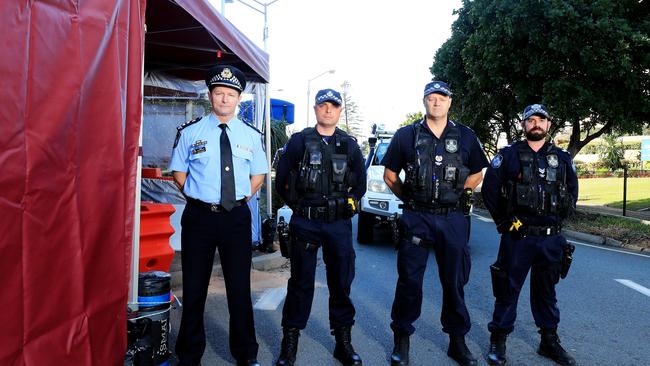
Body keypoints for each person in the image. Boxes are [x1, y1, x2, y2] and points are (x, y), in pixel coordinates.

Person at [382, 81, 489, 366]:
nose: (437, 103)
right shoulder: (406, 135)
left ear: (450, 102)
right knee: (409, 281)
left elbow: (478, 173)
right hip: (417, 217)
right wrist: (412, 200)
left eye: (442, 98)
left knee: (454, 282)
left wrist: (458, 194)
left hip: (453, 218)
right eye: (431, 98)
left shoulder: (465, 136)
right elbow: (390, 176)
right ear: (424, 102)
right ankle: (401, 341)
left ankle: (457, 341)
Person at [170, 65, 268, 366]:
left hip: (235, 218)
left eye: (230, 94)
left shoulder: (251, 136)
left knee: (239, 290)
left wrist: (236, 201)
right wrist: (203, 197)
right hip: (199, 218)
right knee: (195, 288)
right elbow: (179, 173)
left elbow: (258, 176)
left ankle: (245, 355)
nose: (224, 99)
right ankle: (189, 355)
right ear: (210, 95)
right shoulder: (191, 132)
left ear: (239, 98)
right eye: (219, 93)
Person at [273, 88, 366, 366]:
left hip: (338, 224)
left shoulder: (349, 145)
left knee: (341, 283)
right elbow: (282, 182)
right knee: (300, 283)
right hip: (307, 222)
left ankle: (343, 342)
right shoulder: (300, 141)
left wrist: (345, 205)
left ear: (339, 111)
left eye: (333, 106)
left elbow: (359, 184)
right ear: (315, 109)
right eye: (323, 105)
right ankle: (289, 344)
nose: (328, 110)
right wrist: (300, 207)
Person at [482, 104, 578, 366]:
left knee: (547, 292)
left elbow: (571, 192)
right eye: (531, 120)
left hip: (551, 239)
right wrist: (505, 222)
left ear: (549, 125)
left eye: (541, 120)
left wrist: (557, 221)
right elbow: (490, 191)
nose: (536, 124)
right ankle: (498, 340)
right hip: (518, 237)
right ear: (523, 125)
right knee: (507, 290)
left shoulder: (562, 158)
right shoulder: (509, 156)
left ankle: (549, 341)